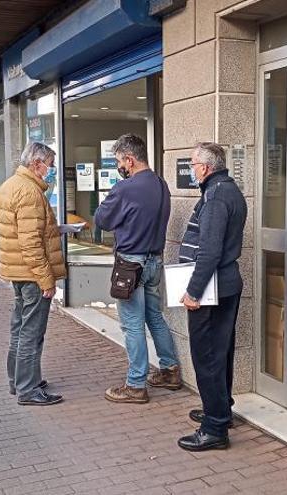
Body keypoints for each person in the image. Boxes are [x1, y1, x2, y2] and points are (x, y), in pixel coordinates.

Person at [95, 134, 181, 404]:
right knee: (155, 317)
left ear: (129, 160)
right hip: (155, 259)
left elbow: (101, 219)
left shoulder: (126, 188)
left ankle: (135, 385)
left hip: (130, 264)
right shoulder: (160, 184)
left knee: (132, 325)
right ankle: (170, 370)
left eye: (120, 160)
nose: (120, 166)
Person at [175, 142, 247, 451]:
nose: (191, 170)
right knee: (220, 353)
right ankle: (220, 409)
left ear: (205, 167)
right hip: (225, 284)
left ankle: (215, 428)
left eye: (193, 164)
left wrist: (193, 291)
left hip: (212, 288)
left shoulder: (216, 196)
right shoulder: (229, 190)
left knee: (207, 356)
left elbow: (210, 251)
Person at [0, 142, 65, 406]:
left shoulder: (10, 185)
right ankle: (28, 388)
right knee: (31, 331)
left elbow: (22, 233)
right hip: (32, 273)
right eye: (50, 164)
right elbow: (30, 243)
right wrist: (46, 279)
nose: (52, 170)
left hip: (18, 271)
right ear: (37, 164)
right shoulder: (30, 193)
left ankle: (18, 380)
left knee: (19, 327)